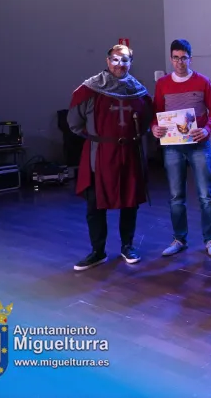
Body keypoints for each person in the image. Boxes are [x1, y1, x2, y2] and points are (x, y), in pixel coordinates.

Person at [68, 44, 153, 271]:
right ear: (107, 61)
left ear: (130, 63)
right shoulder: (90, 89)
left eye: (124, 60)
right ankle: (98, 251)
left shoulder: (138, 92)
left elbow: (147, 122)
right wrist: (99, 139)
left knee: (130, 202)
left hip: (129, 154)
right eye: (115, 59)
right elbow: (75, 123)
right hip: (100, 154)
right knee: (95, 205)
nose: (119, 64)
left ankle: (128, 246)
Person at [151, 39, 211, 258]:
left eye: (184, 58)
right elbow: (155, 113)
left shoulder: (202, 81)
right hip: (172, 147)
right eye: (176, 58)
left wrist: (207, 130)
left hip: (199, 145)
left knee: (205, 195)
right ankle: (179, 239)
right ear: (171, 59)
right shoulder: (162, 84)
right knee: (176, 196)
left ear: (190, 59)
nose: (180, 62)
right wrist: (154, 127)